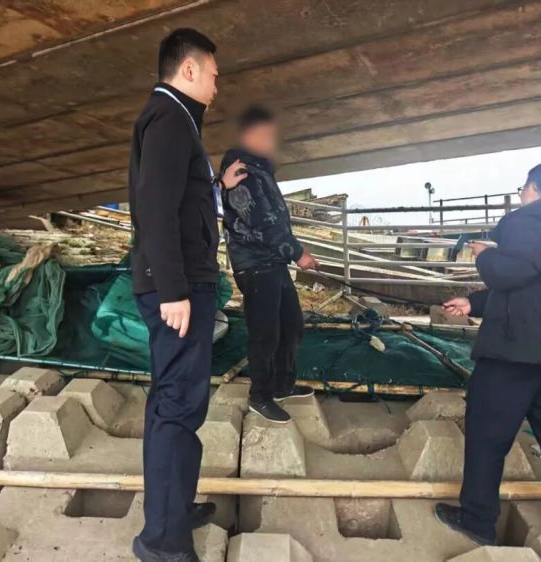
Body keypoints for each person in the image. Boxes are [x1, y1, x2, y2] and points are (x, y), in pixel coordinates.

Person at [435, 159, 541, 545]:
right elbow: (537, 286)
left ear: (532, 187)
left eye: (523, 188)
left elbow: (511, 272)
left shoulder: (525, 222)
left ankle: (477, 519)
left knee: (487, 434)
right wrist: (474, 303)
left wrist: (483, 255)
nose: (521, 194)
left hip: (514, 353)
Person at [128, 28, 247, 562]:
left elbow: (182, 200)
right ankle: (162, 541)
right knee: (178, 408)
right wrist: (174, 289)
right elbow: (155, 210)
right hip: (176, 290)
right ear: (190, 69)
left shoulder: (175, 121)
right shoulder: (169, 120)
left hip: (179, 285)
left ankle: (172, 511)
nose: (217, 88)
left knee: (171, 406)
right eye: (214, 76)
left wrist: (217, 187)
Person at [219, 105, 318, 424]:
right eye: (264, 134)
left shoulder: (261, 168)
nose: (270, 141)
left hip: (272, 261)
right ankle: (260, 396)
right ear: (247, 135)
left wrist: (290, 252)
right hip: (255, 264)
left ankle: (282, 384)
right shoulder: (241, 167)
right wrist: (297, 253)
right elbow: (262, 221)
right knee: (266, 332)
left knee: (291, 324)